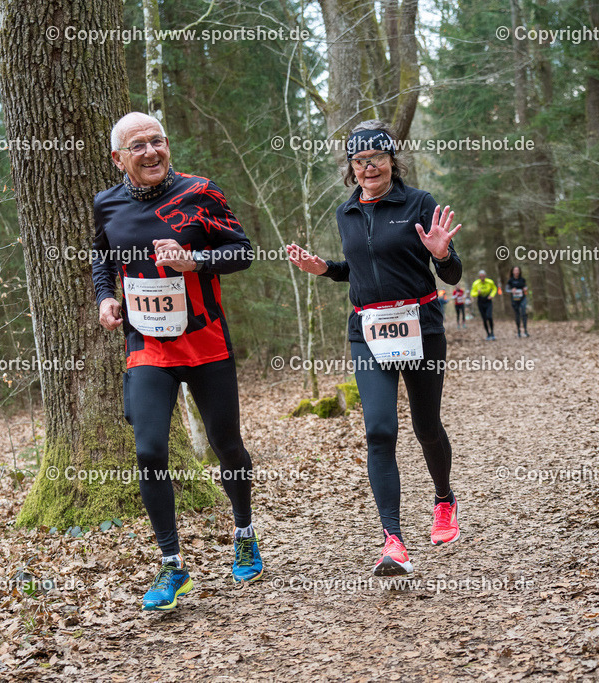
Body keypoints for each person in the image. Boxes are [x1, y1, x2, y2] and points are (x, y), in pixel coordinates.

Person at [92, 112, 262, 611]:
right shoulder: (107, 204)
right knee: (149, 451)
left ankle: (245, 531)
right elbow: (102, 257)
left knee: (226, 446)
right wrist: (105, 297)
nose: (151, 152)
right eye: (137, 145)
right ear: (118, 158)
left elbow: (242, 251)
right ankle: (171, 564)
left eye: (158, 141)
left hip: (206, 341)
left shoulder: (201, 193)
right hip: (148, 345)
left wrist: (197, 261)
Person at [286, 120, 463, 577]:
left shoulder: (418, 203)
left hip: (420, 326)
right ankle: (393, 540)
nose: (369, 168)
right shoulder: (346, 212)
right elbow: (360, 270)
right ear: (351, 167)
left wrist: (442, 254)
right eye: (360, 161)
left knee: (426, 426)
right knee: (379, 431)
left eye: (377, 159)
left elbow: (453, 276)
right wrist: (324, 267)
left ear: (391, 161)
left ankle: (444, 500)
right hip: (367, 330)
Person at [471, 270, 496, 340]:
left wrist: (492, 295)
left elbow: (494, 289)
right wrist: (477, 293)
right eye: (481, 276)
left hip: (488, 300)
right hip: (480, 301)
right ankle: (488, 334)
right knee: (484, 319)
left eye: (483, 276)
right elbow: (472, 293)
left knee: (489, 317)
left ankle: (492, 333)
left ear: (485, 276)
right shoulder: (476, 283)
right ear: (479, 277)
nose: (482, 277)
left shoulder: (490, 282)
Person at [506, 266, 529, 337]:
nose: (516, 272)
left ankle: (525, 330)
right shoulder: (510, 280)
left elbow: (526, 287)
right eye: (515, 270)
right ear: (513, 272)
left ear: (519, 271)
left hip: (522, 298)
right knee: (517, 314)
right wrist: (511, 290)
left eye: (518, 270)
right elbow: (507, 289)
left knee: (524, 313)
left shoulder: (522, 279)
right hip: (515, 299)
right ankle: (518, 330)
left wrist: (525, 288)